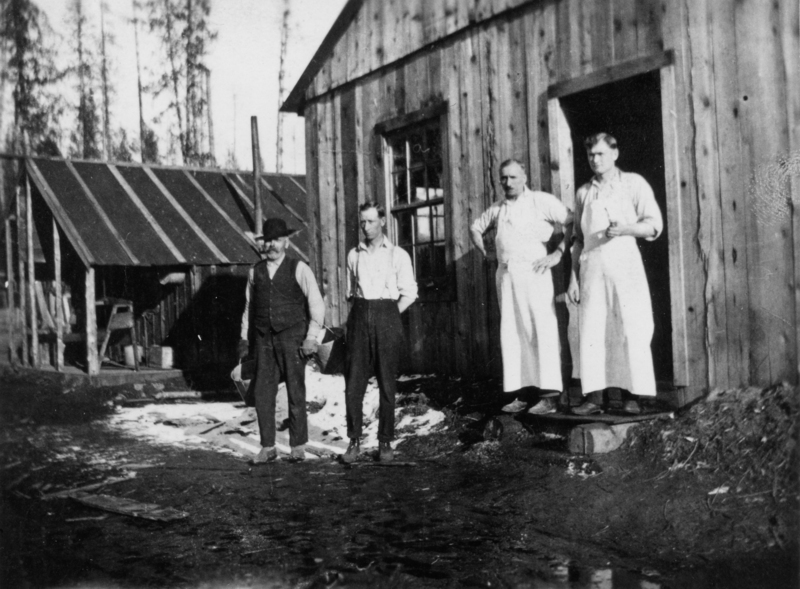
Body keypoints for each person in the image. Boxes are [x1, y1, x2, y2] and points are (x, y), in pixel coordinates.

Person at [567, 133, 663, 415]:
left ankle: (631, 395)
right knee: (593, 329)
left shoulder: (633, 183)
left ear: (615, 154)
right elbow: (577, 240)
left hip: (625, 265)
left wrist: (626, 229)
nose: (595, 160)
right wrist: (573, 278)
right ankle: (594, 398)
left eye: (600, 154)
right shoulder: (585, 192)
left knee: (629, 327)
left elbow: (653, 225)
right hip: (592, 267)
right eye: (591, 156)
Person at [470, 159, 573, 415]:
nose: (508, 183)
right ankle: (523, 394)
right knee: (513, 332)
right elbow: (475, 227)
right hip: (506, 275)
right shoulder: (498, 208)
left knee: (541, 329)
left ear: (524, 177)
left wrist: (559, 253)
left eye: (513, 177)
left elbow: (571, 221)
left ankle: (549, 396)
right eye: (503, 178)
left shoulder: (541, 200)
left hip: (534, 272)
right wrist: (486, 252)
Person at [238, 218, 325, 463]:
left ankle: (297, 445)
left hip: (293, 338)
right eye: (268, 240)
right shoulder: (255, 272)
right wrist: (244, 339)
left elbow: (316, 304)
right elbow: (249, 307)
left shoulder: (299, 268)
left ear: (286, 241)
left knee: (296, 391)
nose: (272, 244)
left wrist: (311, 336)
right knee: (263, 394)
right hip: (264, 340)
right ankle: (268, 446)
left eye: (277, 239)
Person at [342, 202, 418, 463]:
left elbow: (410, 293)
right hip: (360, 317)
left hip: (388, 316)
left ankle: (385, 442)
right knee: (354, 383)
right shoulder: (354, 255)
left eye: (371, 221)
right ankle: (354, 442)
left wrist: (390, 314)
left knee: (387, 383)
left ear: (383, 221)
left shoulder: (398, 255)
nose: (366, 227)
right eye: (362, 222)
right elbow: (350, 292)